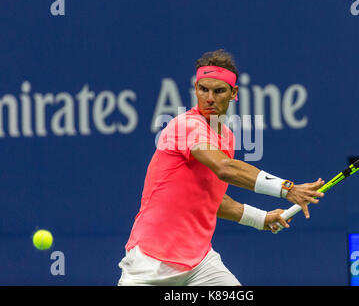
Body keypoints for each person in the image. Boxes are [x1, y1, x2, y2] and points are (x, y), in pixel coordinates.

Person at [117, 49, 325, 286]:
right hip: (151, 263)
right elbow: (225, 168)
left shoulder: (226, 137)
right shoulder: (186, 126)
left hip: (200, 264)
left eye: (219, 91)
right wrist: (287, 189)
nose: (209, 98)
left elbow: (210, 198)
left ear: (233, 93)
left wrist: (261, 218)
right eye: (203, 89)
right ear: (196, 89)